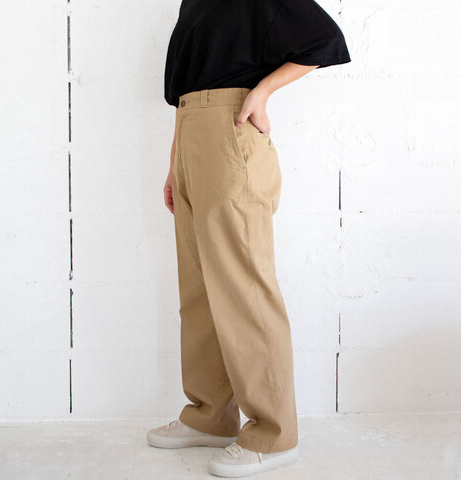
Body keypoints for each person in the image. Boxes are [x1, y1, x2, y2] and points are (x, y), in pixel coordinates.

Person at [147, 0, 351, 477]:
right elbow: (186, 89)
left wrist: (263, 90)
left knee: (245, 289)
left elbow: (324, 38)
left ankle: (274, 435)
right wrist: (176, 162)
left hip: (230, 131)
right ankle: (210, 416)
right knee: (199, 291)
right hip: (192, 135)